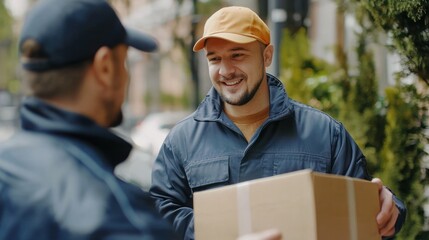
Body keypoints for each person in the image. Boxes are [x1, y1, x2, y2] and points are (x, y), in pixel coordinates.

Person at [150, 6, 407, 240]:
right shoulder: (181, 141)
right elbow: (160, 218)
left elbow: (362, 210)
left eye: (237, 55)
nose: (225, 70)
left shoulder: (325, 133)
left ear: (267, 55)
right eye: (214, 59)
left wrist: (390, 206)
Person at [0, 0, 178, 239]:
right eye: (124, 61)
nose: (126, 76)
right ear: (105, 67)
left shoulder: (7, 164)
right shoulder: (126, 220)